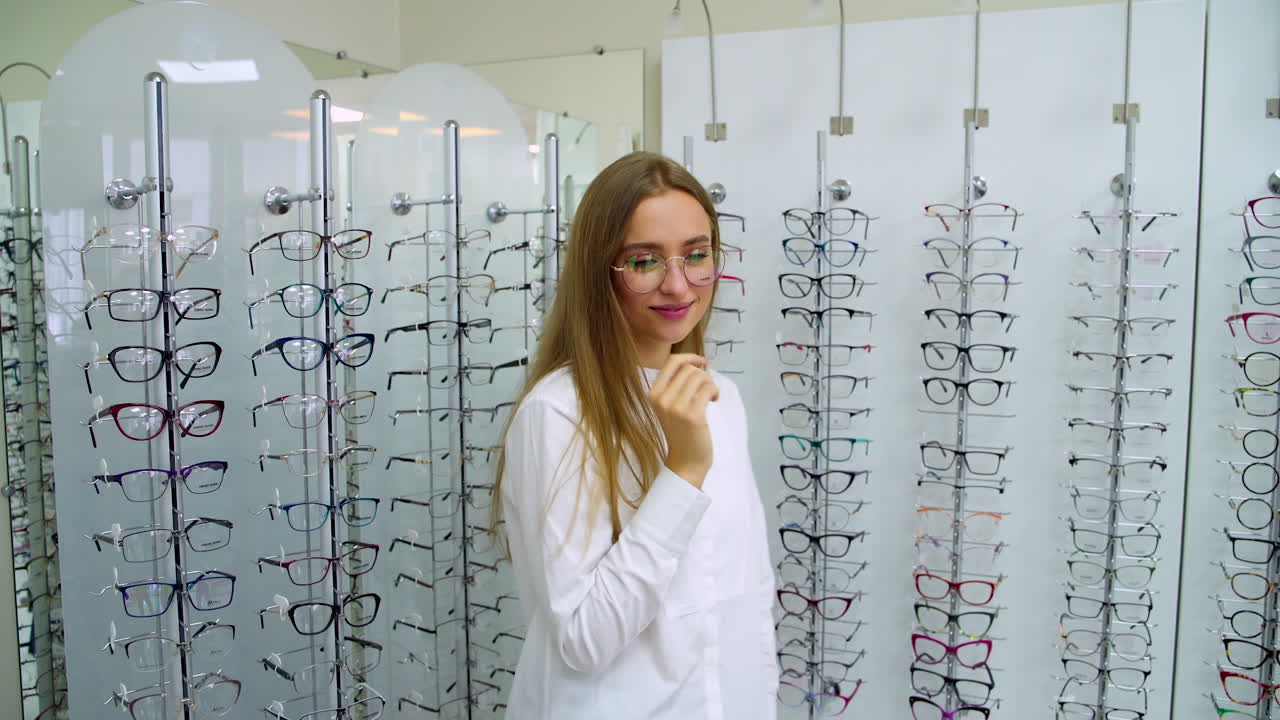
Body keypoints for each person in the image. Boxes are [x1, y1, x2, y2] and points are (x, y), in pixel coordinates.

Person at [490, 151, 778, 719]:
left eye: (697, 255)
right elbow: (585, 640)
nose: (679, 285)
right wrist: (683, 472)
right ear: (601, 272)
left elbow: (749, 605)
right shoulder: (559, 414)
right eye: (645, 261)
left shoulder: (721, 398)